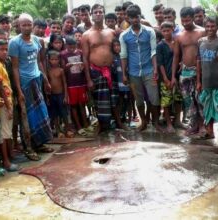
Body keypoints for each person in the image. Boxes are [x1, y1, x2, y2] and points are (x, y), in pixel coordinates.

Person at [8, 13, 53, 160]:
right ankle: (28, 148)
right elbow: (14, 67)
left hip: (37, 80)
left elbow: (39, 62)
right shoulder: (14, 43)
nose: (27, 27)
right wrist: (19, 90)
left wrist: (45, 80)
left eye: (29, 24)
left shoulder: (36, 40)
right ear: (19, 26)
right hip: (24, 84)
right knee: (27, 118)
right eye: (23, 25)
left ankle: (39, 144)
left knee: (41, 114)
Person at [82, 4, 126, 132]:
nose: (98, 14)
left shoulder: (112, 32)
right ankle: (102, 126)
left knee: (115, 99)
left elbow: (118, 50)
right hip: (96, 71)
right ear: (91, 14)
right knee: (99, 100)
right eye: (95, 12)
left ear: (104, 14)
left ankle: (118, 122)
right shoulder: (86, 35)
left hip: (111, 70)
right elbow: (85, 57)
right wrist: (88, 79)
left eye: (100, 12)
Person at [120, 4, 160, 132]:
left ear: (140, 16)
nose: (135, 20)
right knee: (139, 99)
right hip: (133, 72)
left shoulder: (149, 31)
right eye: (132, 18)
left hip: (149, 70)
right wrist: (124, 74)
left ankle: (156, 122)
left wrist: (155, 69)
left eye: (136, 17)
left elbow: (154, 51)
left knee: (154, 98)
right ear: (128, 19)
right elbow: (124, 55)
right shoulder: (124, 36)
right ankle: (143, 122)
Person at [196, 16, 218, 145]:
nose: (210, 29)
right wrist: (198, 81)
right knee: (207, 107)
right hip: (205, 82)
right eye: (208, 26)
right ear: (205, 27)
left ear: (217, 26)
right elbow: (198, 62)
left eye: (213, 26)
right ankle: (210, 132)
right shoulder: (201, 42)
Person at [173, 7, 205, 135]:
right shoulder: (179, 36)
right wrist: (173, 77)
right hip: (185, 71)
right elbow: (176, 56)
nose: (185, 23)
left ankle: (203, 125)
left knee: (200, 99)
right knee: (188, 100)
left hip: (200, 70)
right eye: (183, 21)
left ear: (193, 18)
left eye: (188, 20)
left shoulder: (202, 32)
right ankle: (194, 125)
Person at [0, 40, 18, 173]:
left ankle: (8, 159)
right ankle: (6, 161)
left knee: (6, 133)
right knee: (4, 134)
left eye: (6, 49)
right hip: (3, 102)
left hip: (7, 100)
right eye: (1, 49)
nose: (5, 52)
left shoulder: (1, 64)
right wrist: (7, 106)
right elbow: (0, 87)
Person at [60, 37, 90, 135]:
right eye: (69, 47)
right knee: (73, 106)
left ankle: (85, 125)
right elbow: (62, 70)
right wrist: (66, 67)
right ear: (66, 46)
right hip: (71, 84)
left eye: (73, 47)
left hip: (81, 82)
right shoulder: (63, 54)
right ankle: (78, 126)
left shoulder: (80, 53)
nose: (72, 49)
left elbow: (85, 66)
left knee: (82, 104)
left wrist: (82, 66)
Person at [157, 22, 176, 133]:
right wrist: (165, 78)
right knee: (166, 101)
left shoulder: (176, 42)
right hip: (166, 77)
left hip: (176, 76)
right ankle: (169, 123)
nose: (166, 33)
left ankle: (177, 121)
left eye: (168, 30)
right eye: (163, 31)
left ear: (172, 29)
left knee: (178, 100)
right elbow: (160, 64)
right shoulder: (160, 45)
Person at [47, 50, 69, 137]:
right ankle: (58, 130)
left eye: (56, 59)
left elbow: (65, 83)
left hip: (61, 95)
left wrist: (66, 96)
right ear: (49, 60)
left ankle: (67, 129)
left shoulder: (61, 70)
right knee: (54, 114)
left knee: (64, 113)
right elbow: (47, 84)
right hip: (52, 95)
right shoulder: (48, 71)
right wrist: (47, 97)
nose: (54, 61)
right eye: (52, 59)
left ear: (59, 60)